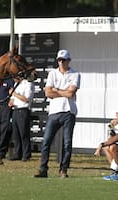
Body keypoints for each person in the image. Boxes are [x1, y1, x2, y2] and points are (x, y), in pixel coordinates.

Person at [34, 49, 80, 178]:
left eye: (63, 60)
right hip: (54, 112)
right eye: (59, 60)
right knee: (46, 141)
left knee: (67, 143)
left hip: (69, 112)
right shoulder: (52, 73)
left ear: (68, 61)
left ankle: (63, 169)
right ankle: (43, 169)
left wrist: (56, 90)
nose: (61, 62)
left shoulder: (75, 74)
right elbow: (48, 93)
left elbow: (71, 93)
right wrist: (63, 92)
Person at [8, 77, 34, 161]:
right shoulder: (16, 84)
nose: (14, 79)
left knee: (23, 133)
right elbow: (13, 97)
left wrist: (14, 94)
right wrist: (11, 101)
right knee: (16, 134)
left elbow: (26, 99)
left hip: (23, 110)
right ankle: (17, 154)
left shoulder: (28, 84)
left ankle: (26, 154)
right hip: (15, 110)